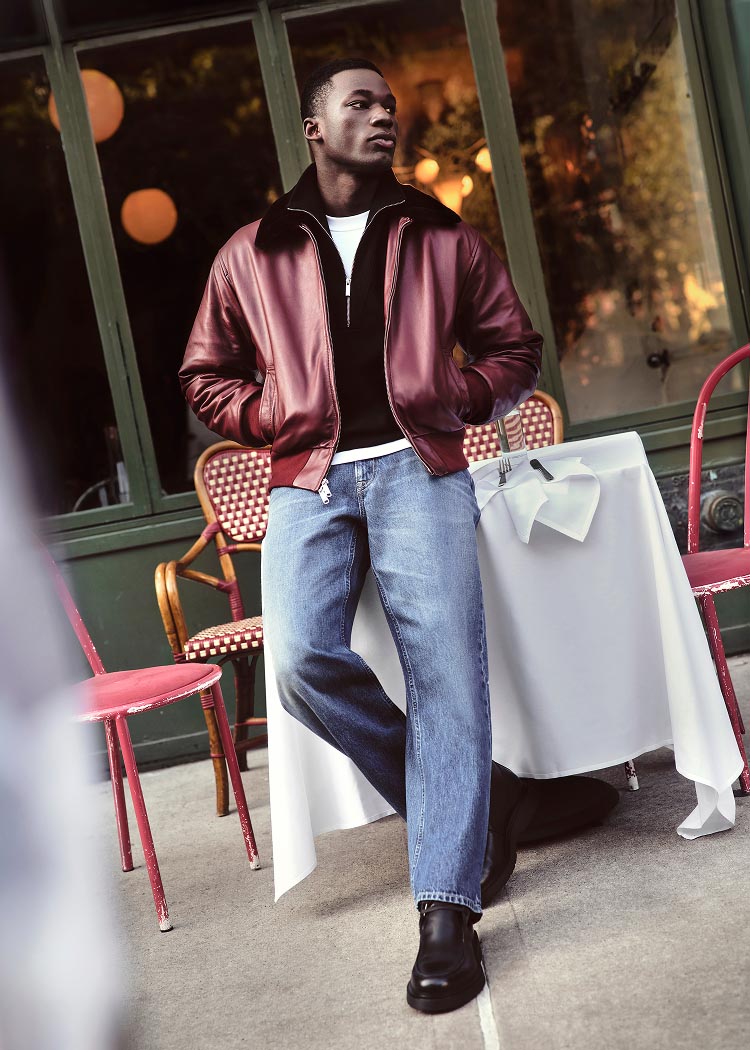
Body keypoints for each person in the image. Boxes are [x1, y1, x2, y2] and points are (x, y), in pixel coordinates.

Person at [180, 57, 543, 1014]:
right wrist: (275, 416)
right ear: (314, 128)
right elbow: (203, 372)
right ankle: (474, 796)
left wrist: (456, 395)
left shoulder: (438, 233)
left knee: (446, 676)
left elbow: (514, 345)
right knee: (300, 662)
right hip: (307, 479)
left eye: (390, 105)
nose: (384, 117)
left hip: (420, 470)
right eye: (362, 104)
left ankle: (447, 915)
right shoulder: (252, 250)